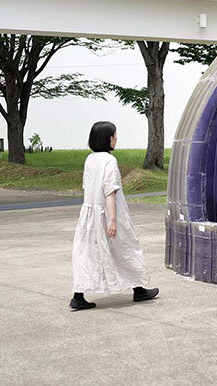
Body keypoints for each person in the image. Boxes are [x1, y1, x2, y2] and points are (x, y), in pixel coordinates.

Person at [69, 121, 159, 311]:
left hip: (89, 216)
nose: (116, 139)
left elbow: (88, 187)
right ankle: (139, 290)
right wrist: (112, 220)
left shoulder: (90, 159)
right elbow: (110, 191)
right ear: (107, 138)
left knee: (87, 253)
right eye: (114, 136)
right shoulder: (109, 161)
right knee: (126, 249)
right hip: (108, 213)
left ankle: (78, 295)